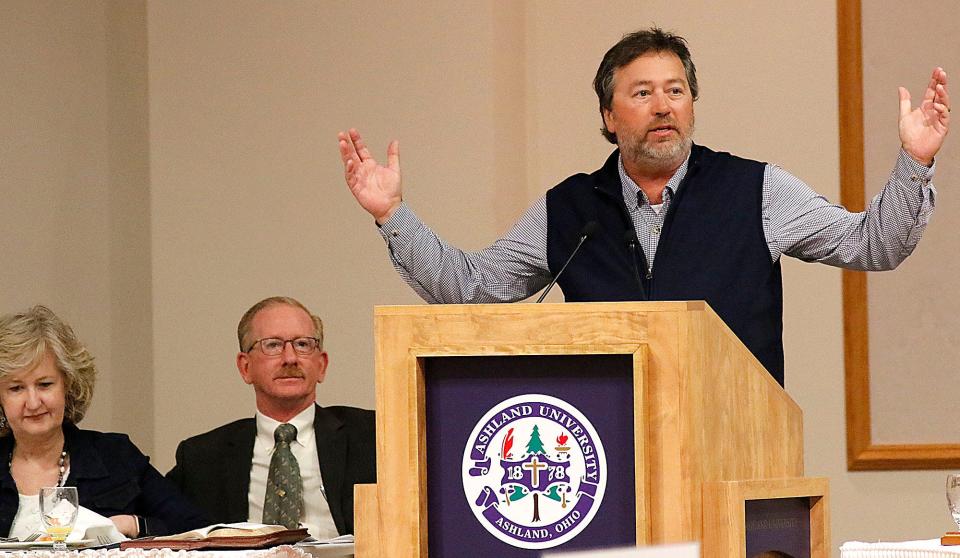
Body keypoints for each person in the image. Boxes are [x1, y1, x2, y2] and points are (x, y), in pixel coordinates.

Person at [338, 27, 951, 386]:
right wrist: (393, 214)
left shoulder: (756, 189)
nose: (664, 106)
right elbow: (469, 289)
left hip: (735, 446)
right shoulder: (569, 210)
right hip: (607, 453)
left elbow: (874, 244)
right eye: (642, 93)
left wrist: (914, 161)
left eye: (676, 91)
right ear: (608, 116)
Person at [166, 296, 375, 539]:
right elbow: (159, 520)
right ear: (245, 367)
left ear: (321, 365)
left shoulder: (373, 436)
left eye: (303, 345)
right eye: (273, 345)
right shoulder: (201, 457)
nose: (290, 358)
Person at [0, 305, 207, 539]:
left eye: (45, 384)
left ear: (68, 386)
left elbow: (198, 530)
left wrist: (134, 525)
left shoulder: (115, 455)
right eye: (16, 388)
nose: (34, 402)